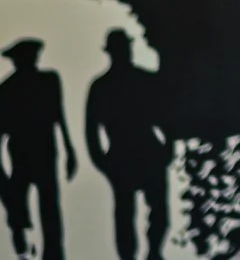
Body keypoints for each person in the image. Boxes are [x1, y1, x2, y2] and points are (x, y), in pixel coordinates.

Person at [85, 31, 169, 260]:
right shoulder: (104, 86)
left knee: (151, 210)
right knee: (127, 213)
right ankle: (135, 255)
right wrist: (101, 161)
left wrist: (168, 146)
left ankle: (153, 252)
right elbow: (91, 130)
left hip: (142, 150)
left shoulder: (111, 84)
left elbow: (165, 116)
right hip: (126, 153)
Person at [0, 39, 75, 260]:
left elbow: (59, 115)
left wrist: (69, 149)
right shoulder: (9, 89)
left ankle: (47, 253)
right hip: (28, 153)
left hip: (42, 151)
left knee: (46, 208)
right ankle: (25, 250)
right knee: (24, 208)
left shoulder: (45, 81)